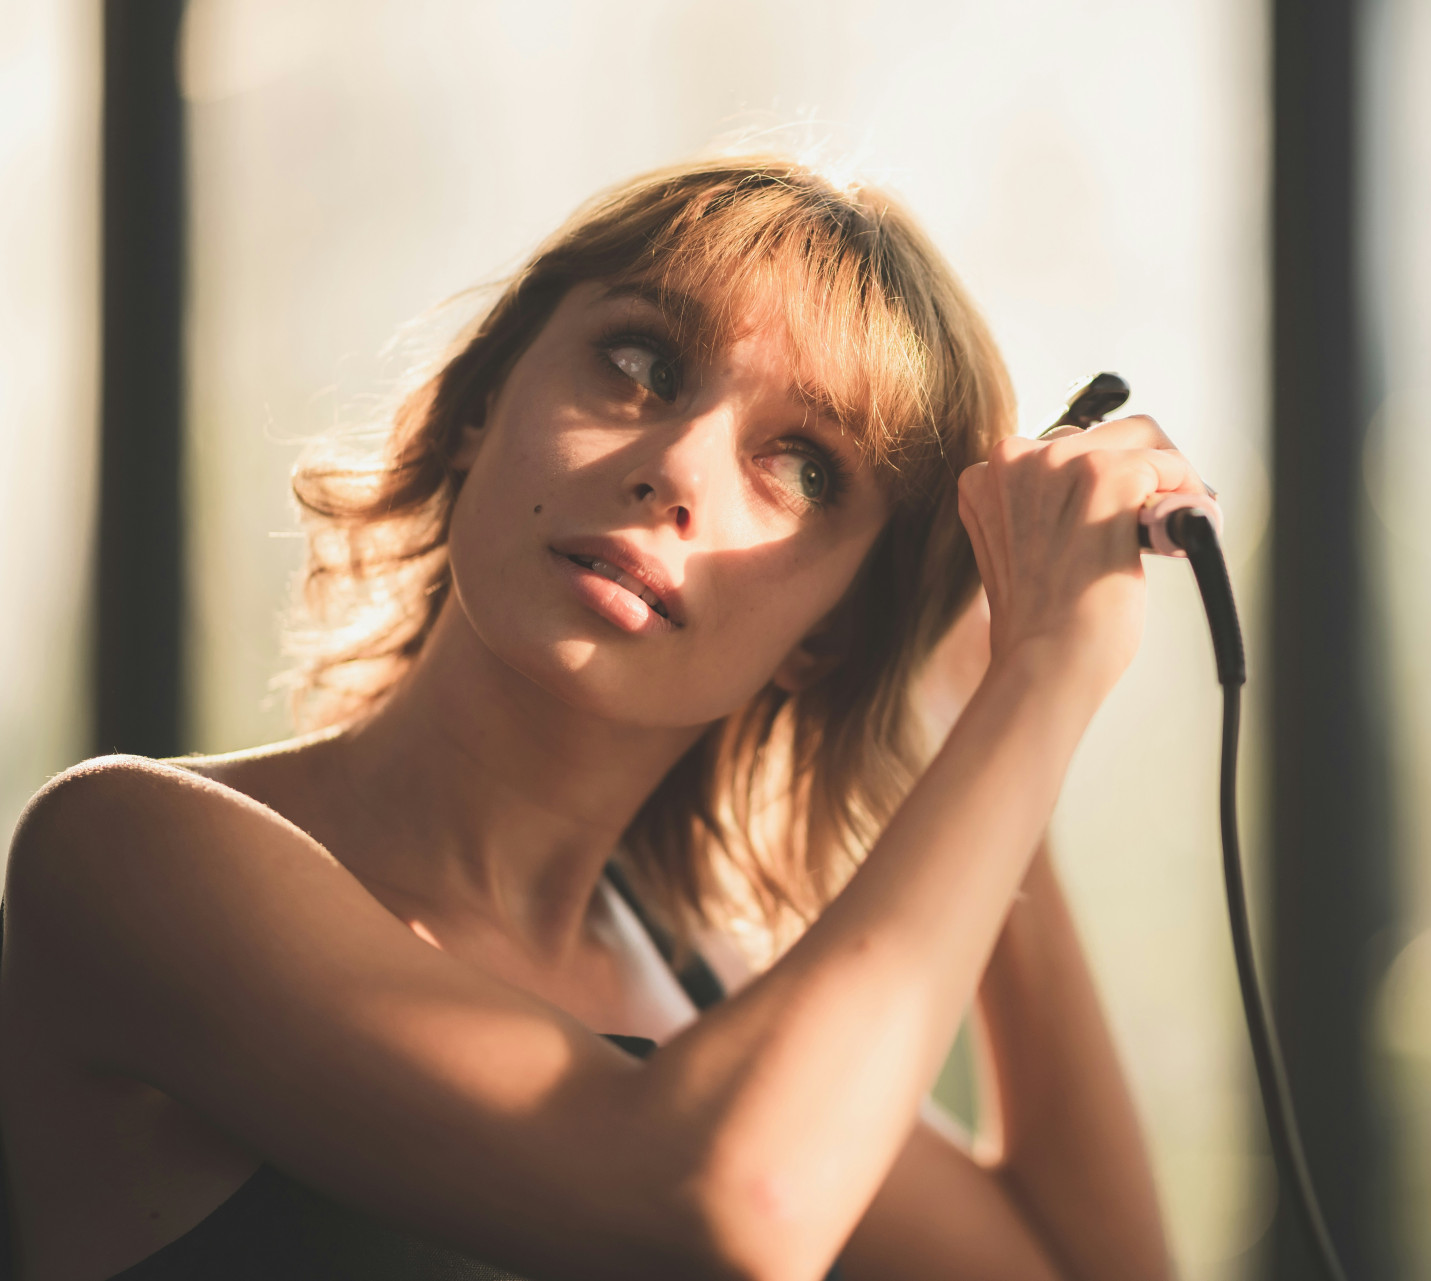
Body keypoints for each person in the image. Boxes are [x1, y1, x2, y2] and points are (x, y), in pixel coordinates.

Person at [0, 155, 1203, 1280]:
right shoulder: (131, 853)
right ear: (481, 407)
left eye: (803, 467)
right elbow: (729, 1201)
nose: (676, 467)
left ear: (829, 632)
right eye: (642, 364)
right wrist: (1047, 674)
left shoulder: (700, 985)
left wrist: (998, 695)